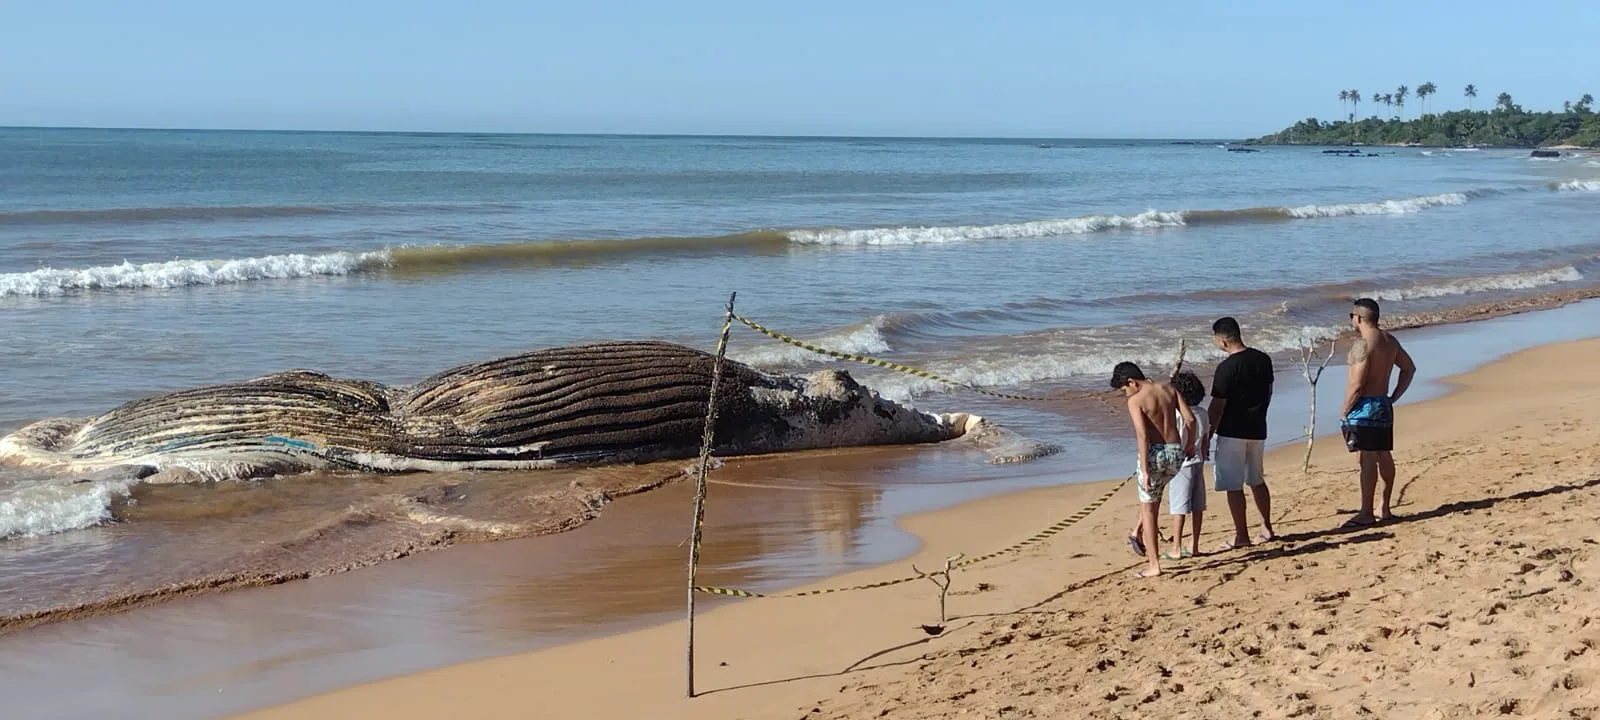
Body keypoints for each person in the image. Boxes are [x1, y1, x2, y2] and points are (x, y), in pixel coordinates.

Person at [1111, 361, 1197, 578]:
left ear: (1131, 382)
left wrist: (1144, 468)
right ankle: (1141, 540)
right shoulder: (1169, 388)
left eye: (1124, 390)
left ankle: (1154, 564)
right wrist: (1190, 444)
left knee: (1149, 512)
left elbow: (1143, 435)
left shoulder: (1136, 400)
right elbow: (1189, 418)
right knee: (1155, 498)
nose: (1125, 394)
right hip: (1175, 452)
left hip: (1154, 455)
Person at [1340, 298, 1417, 526]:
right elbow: (1408, 368)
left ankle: (1365, 512)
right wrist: (1393, 396)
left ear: (1359, 318)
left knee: (1367, 459)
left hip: (1364, 406)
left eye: (1351, 316)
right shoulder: (1389, 340)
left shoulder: (1362, 344)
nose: (1352, 320)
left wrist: (1345, 410)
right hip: (1383, 404)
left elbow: (1357, 384)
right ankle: (1383, 506)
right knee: (1384, 454)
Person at [1207, 317, 1276, 550]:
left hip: (1232, 431)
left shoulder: (1226, 368)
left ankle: (1242, 535)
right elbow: (1269, 391)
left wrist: (1207, 434)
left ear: (1223, 341)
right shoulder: (1263, 359)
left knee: (1233, 484)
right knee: (1257, 479)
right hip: (1257, 427)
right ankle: (1267, 526)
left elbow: (1217, 406)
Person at [1166, 370, 1211, 559]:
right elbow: (1206, 438)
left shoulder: (1178, 416)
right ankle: (1194, 544)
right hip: (1199, 461)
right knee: (1197, 505)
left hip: (1182, 465)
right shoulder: (1202, 413)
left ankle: (1176, 546)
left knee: (1179, 506)